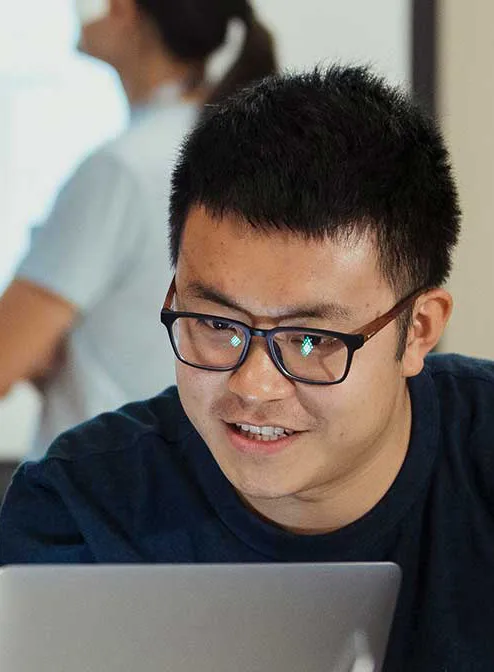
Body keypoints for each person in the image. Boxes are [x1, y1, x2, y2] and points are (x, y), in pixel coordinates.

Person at [1, 65, 494, 670]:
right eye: (216, 325)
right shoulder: (80, 511)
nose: (254, 385)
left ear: (416, 331)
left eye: (311, 340)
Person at [0, 0, 276, 456]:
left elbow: (7, 356)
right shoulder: (223, 150)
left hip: (100, 488)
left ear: (130, 13)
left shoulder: (122, 169)